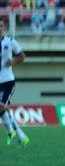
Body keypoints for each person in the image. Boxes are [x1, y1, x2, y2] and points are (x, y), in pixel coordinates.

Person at [0, 19, 29, 148]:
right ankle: (21, 136)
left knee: (1, 108)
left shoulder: (10, 42)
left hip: (7, 81)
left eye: (1, 26)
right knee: (4, 110)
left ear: (4, 27)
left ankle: (12, 132)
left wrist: (13, 62)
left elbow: (22, 56)